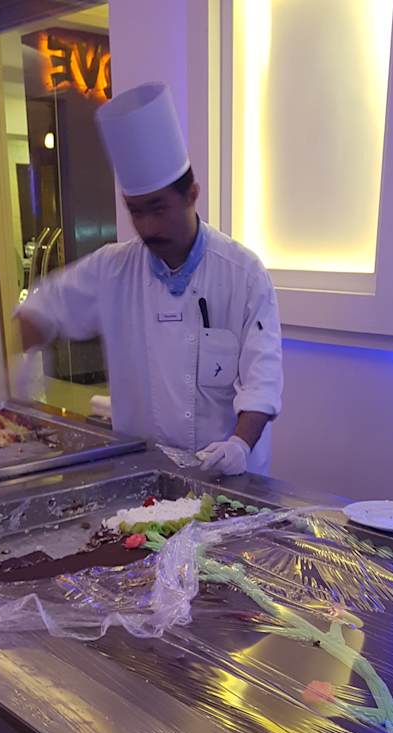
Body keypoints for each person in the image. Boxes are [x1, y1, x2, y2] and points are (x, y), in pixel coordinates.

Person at [14, 82, 282, 476]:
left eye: (158, 209)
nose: (147, 227)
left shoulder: (243, 274)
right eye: (136, 212)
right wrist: (18, 375)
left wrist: (239, 446)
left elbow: (263, 380)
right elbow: (40, 310)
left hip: (226, 477)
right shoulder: (111, 269)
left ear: (191, 194)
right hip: (142, 474)